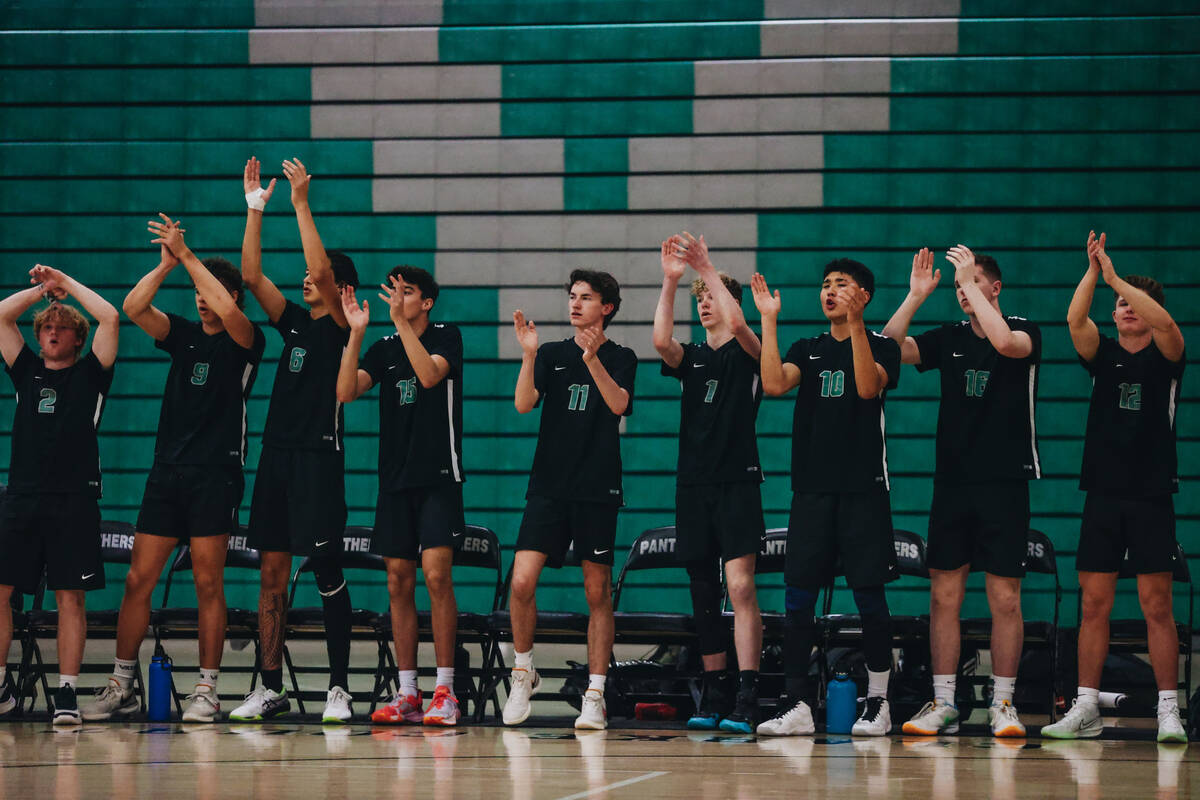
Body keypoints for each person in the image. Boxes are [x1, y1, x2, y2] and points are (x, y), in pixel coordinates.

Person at [81, 214, 265, 723]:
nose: (202, 297)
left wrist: (189, 257)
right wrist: (168, 265)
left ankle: (207, 688)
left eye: (214, 290)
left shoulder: (246, 339)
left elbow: (229, 308)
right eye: (200, 290)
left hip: (216, 474)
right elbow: (133, 307)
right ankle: (122, 681)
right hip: (167, 472)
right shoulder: (182, 334)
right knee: (138, 578)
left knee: (208, 582)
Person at [882, 246, 1040, 738]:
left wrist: (969, 280)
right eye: (958, 288)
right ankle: (945, 701)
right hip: (953, 483)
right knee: (944, 595)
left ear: (994, 288)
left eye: (971, 285)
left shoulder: (1024, 328)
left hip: (1005, 483)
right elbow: (888, 347)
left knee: (1004, 598)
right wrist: (914, 297)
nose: (962, 295)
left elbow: (1005, 344)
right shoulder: (947, 338)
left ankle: (1004, 702)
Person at [1043, 232, 1187, 743]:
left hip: (1150, 495)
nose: (1123, 306)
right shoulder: (1102, 355)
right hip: (1101, 494)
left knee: (1156, 605)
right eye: (1119, 302)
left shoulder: (1168, 356)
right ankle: (1086, 705)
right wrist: (1093, 272)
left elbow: (1167, 324)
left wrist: (1118, 278)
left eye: (1132, 301)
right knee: (1093, 604)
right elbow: (1074, 321)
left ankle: (1170, 708)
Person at [231, 157, 358, 723]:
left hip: (318, 459)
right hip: (277, 458)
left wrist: (301, 204)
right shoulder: (295, 326)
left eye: (320, 274)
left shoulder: (338, 321)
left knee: (327, 569)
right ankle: (270, 685)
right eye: (307, 274)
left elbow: (324, 275)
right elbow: (252, 277)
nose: (308, 278)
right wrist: (256, 208)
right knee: (272, 573)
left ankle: (338, 688)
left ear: (339, 287)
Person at [751, 259, 900, 737]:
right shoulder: (808, 348)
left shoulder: (883, 347)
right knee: (798, 599)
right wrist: (768, 322)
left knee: (869, 599)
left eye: (841, 285)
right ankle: (796, 703)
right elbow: (773, 384)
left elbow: (864, 387)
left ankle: (879, 701)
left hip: (863, 493)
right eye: (825, 285)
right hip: (811, 492)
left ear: (864, 295)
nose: (830, 291)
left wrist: (856, 327)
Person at [502, 269, 637, 730]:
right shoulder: (552, 354)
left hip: (597, 488)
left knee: (597, 592)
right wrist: (527, 356)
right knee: (521, 582)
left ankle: (594, 693)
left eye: (587, 298)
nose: (576, 304)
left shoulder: (622, 356)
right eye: (573, 297)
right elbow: (523, 404)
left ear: (608, 308)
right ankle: (524, 671)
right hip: (549, 487)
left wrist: (593, 358)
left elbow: (618, 404)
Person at [336, 266, 465, 726]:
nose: (399, 298)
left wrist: (400, 326)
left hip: (438, 478)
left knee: (436, 577)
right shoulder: (384, 348)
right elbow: (346, 391)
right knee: (397, 582)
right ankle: (408, 690)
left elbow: (430, 377)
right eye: (393, 291)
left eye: (407, 293)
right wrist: (355, 335)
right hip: (394, 480)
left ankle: (446, 689)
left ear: (427, 302)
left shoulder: (447, 337)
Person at [652, 232, 764, 733]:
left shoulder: (748, 351)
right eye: (700, 301)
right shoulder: (692, 358)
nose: (705, 306)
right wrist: (673, 282)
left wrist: (707, 267)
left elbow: (740, 322)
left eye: (709, 298)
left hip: (737, 484)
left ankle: (747, 691)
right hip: (692, 486)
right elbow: (660, 341)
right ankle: (714, 688)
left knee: (739, 586)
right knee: (703, 591)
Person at [0, 264, 118, 725]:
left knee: (71, 597)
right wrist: (39, 293)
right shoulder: (24, 370)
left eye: (61, 327)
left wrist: (65, 285)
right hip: (23, 497)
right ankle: (2, 687)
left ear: (76, 339)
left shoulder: (92, 375)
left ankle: (66, 694)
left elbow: (110, 317)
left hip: (74, 499)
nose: (51, 332)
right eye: (46, 327)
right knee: (1, 589)